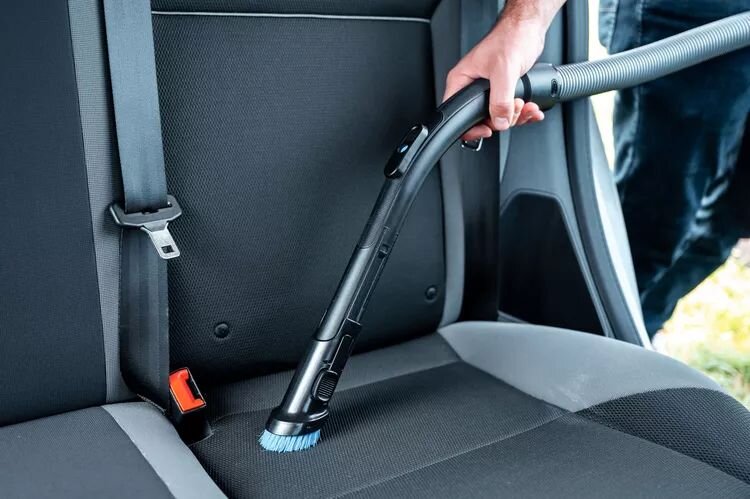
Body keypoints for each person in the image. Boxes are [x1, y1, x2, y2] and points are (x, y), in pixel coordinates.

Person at [445, 0, 750, 337]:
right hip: (697, 15)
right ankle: (588, 339)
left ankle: (633, 330)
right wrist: (525, 20)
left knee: (735, 217)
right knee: (654, 228)